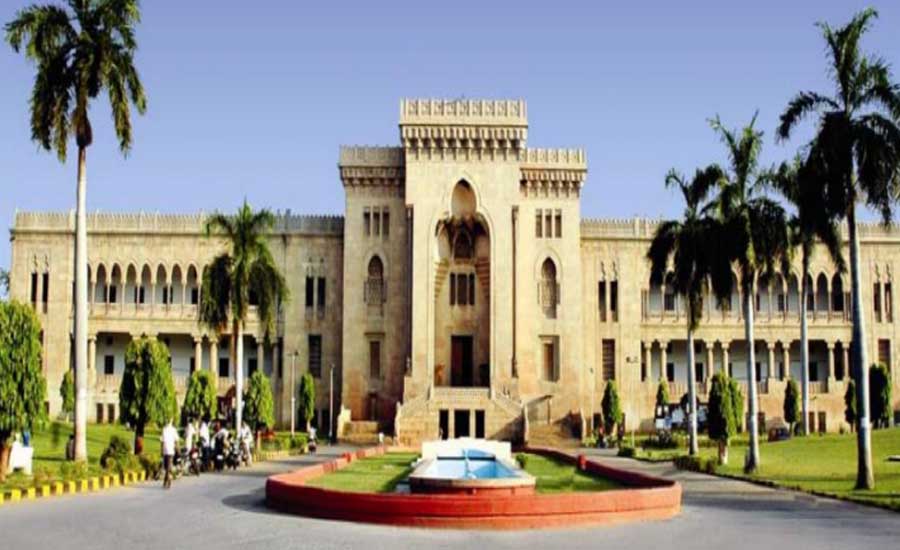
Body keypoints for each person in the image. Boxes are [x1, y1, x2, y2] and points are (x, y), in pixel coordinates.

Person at [160, 419, 180, 489]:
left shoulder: (164, 429)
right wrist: (178, 450)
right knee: (167, 467)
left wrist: (161, 450)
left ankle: (167, 481)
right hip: (170, 450)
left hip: (166, 450)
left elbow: (162, 442)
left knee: (167, 467)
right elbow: (177, 441)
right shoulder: (173, 430)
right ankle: (167, 480)